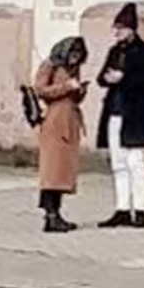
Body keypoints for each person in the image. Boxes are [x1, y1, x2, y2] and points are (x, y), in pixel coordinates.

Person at [94, 1, 144, 228]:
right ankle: (122, 208)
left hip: (135, 113)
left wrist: (125, 78)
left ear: (131, 29)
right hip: (114, 111)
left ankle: (140, 209)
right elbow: (101, 77)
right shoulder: (115, 51)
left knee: (135, 160)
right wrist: (109, 78)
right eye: (116, 28)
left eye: (121, 28)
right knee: (118, 162)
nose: (117, 33)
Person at [24, 33, 88, 231]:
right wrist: (66, 86)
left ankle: (57, 214)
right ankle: (50, 215)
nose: (74, 58)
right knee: (53, 171)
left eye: (78, 55)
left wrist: (79, 91)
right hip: (54, 121)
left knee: (63, 172)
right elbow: (40, 90)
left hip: (69, 120)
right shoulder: (50, 65)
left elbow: (73, 97)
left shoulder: (73, 69)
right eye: (72, 53)